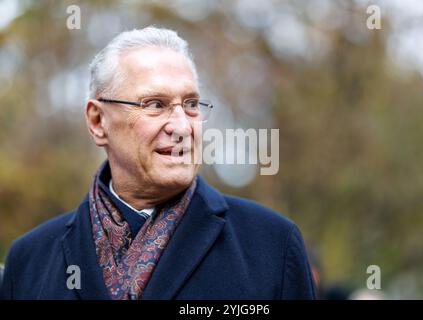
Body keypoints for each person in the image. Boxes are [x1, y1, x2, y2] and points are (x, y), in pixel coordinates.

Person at [0, 26, 315, 300]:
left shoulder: (271, 245)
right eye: (155, 104)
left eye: (191, 105)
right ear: (98, 121)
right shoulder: (30, 261)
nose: (181, 127)